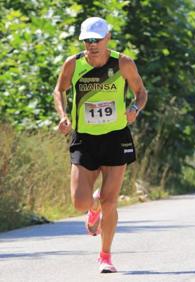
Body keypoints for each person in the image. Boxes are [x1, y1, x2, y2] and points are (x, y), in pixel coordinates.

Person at [53, 17, 148, 273]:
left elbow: (141, 92)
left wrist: (134, 108)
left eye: (97, 39)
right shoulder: (73, 64)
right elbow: (59, 90)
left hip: (116, 137)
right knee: (80, 203)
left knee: (111, 202)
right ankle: (92, 207)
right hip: (85, 138)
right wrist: (63, 115)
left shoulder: (123, 63)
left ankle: (105, 256)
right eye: (87, 40)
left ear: (108, 38)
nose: (92, 44)